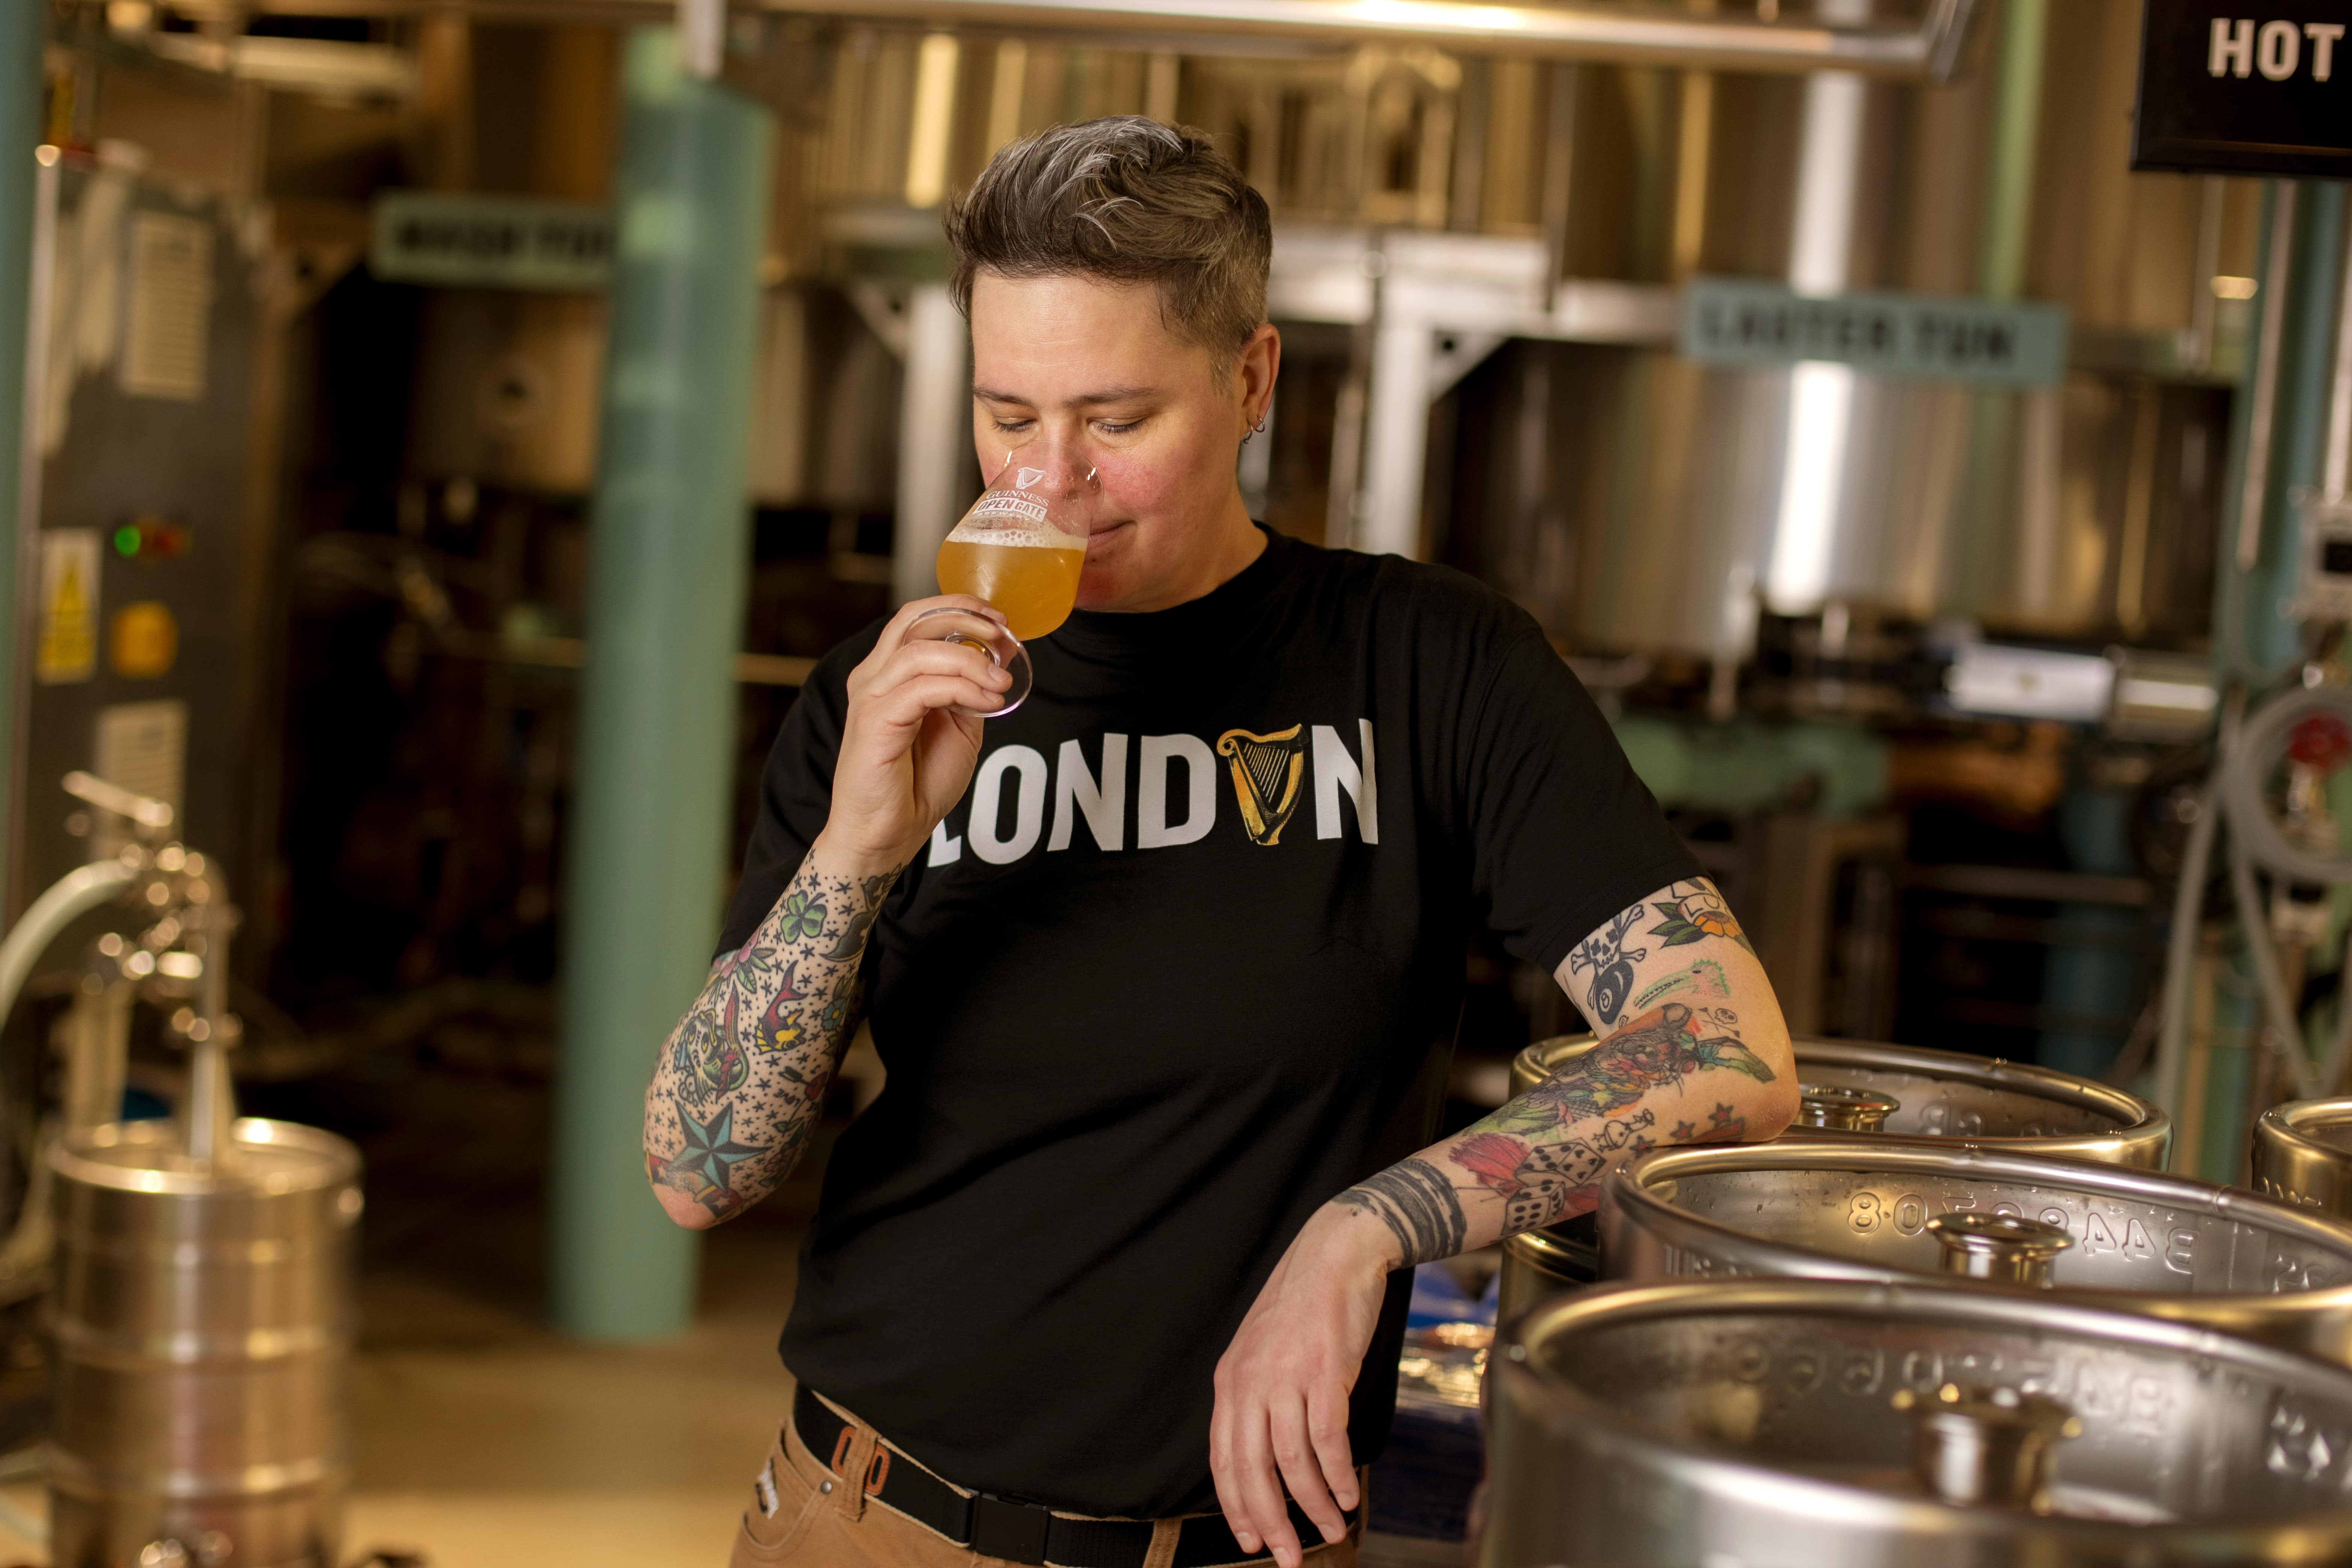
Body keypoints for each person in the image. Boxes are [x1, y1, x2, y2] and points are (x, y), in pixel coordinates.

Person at [643, 116, 1796, 1568]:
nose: (1048, 485)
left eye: (1115, 423)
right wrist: (856, 850)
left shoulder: (1431, 669)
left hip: (1243, 1546)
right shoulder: (884, 697)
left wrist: (1373, 1225)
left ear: (1250, 379)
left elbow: (1732, 1051)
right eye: (1008, 416)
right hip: (873, 1514)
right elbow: (699, 1171)